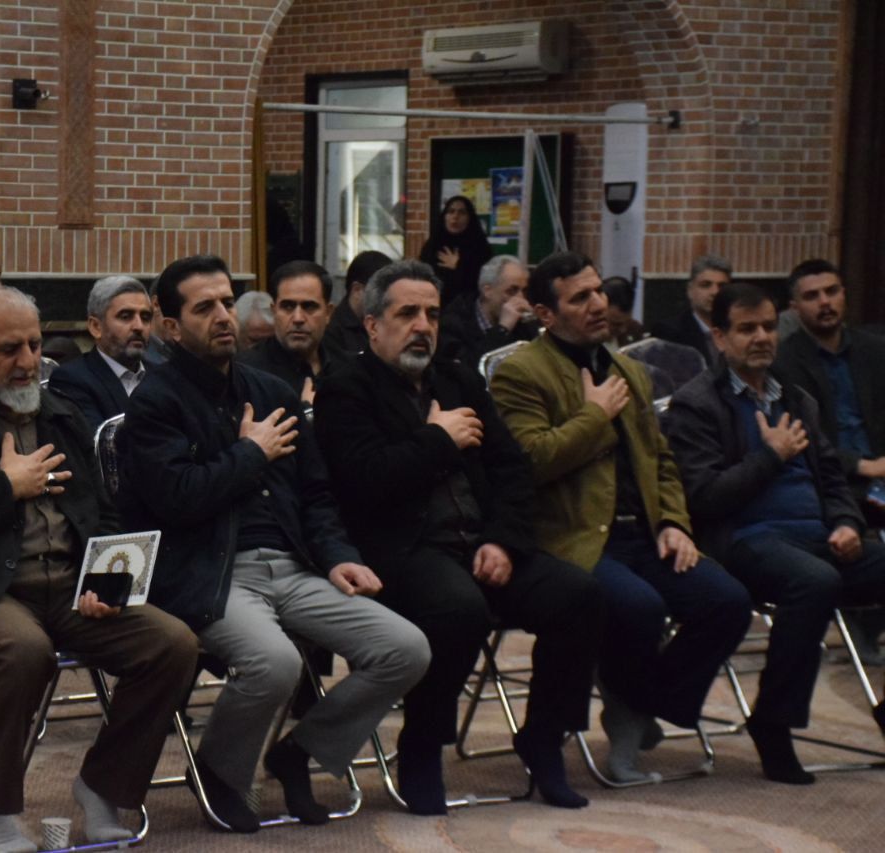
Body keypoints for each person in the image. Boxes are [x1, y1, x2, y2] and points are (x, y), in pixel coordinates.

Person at [118, 254, 429, 833]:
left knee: (405, 647)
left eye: (227, 302)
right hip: (212, 573)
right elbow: (176, 501)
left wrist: (338, 557)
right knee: (276, 662)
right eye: (204, 307)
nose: (223, 316)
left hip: (293, 564)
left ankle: (301, 751)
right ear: (171, 326)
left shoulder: (270, 391)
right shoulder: (156, 403)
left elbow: (316, 494)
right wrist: (250, 454)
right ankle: (219, 771)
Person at [0, 287, 198, 851]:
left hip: (71, 585)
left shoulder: (61, 414)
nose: (28, 361)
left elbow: (103, 513)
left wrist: (107, 582)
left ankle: (104, 786)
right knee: (23, 650)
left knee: (173, 644)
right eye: (10, 349)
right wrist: (3, 487)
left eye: (34, 345)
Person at [315, 259, 602, 812]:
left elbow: (512, 469)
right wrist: (437, 439)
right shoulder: (345, 387)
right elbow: (365, 482)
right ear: (373, 324)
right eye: (407, 313)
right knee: (459, 610)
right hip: (403, 548)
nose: (422, 326)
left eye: (431, 314)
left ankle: (544, 737)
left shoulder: (459, 378)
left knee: (579, 595)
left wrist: (503, 540)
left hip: (481, 543)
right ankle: (423, 745)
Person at [489, 251, 751, 783]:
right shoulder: (521, 372)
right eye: (579, 298)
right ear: (546, 313)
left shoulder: (628, 369)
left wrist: (674, 523)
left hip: (644, 534)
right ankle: (627, 708)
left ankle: (639, 702)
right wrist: (595, 415)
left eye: (598, 292)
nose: (597, 304)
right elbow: (530, 461)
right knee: (639, 608)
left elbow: (662, 461)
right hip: (576, 539)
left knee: (728, 602)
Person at [666, 283, 885, 782]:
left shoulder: (795, 398)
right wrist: (771, 456)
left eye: (768, 326)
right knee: (815, 581)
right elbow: (703, 498)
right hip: (745, 539)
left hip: (817, 537)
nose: (762, 337)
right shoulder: (696, 404)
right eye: (747, 329)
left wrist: (847, 522)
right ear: (720, 337)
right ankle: (773, 721)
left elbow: (832, 478)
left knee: (832, 570)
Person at [774, 259, 885, 661]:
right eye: (812, 296)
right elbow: (800, 439)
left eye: (832, 292)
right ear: (794, 307)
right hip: (832, 480)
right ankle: (862, 614)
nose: (825, 302)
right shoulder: (783, 362)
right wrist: (862, 465)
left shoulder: (874, 350)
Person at [47, 275, 156, 431]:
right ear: (96, 327)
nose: (139, 326)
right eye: (126, 317)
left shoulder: (162, 375)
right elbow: (98, 441)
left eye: (145, 318)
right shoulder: (71, 380)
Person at [237, 260, 336, 406]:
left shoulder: (347, 368)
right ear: (274, 311)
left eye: (309, 307)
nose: (298, 318)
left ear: (328, 313)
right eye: (288, 306)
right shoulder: (245, 372)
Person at [437, 255, 538, 365]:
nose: (521, 299)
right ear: (487, 291)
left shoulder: (523, 324)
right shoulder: (453, 324)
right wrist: (502, 329)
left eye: (524, 291)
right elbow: (470, 369)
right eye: (511, 291)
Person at [650, 254, 731, 366]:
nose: (715, 292)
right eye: (706, 285)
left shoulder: (735, 329)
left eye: (722, 286)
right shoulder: (669, 332)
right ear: (690, 290)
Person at [419, 195, 493, 309]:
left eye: (462, 212)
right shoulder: (433, 245)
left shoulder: (480, 247)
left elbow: (485, 284)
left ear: (469, 218)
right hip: (434, 308)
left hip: (468, 311)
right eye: (451, 211)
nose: (455, 216)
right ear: (444, 216)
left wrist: (458, 266)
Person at [323, 250, 391, 367]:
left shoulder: (385, 323)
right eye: (379, 293)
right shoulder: (332, 331)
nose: (385, 301)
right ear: (357, 290)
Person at [602, 275, 647, 347]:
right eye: (616, 324)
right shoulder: (586, 337)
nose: (623, 330)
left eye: (627, 322)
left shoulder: (635, 330)